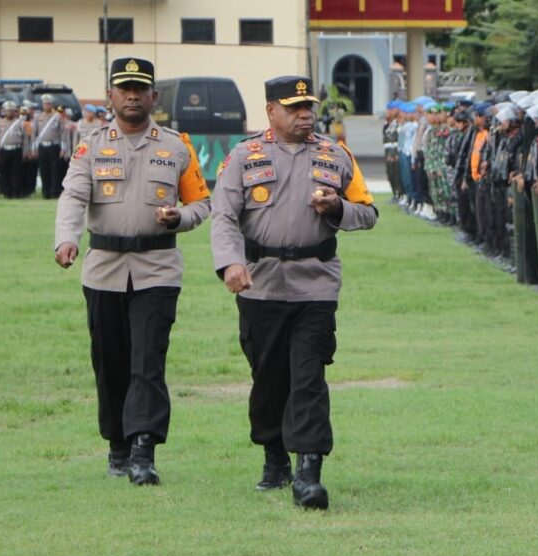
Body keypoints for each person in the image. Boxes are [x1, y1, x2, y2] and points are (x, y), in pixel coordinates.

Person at [210, 75, 377, 511]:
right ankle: (274, 457)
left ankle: (309, 472)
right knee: (269, 379)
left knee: (308, 376)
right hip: (260, 283)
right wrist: (230, 262)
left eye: (309, 107)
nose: (305, 115)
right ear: (271, 111)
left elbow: (368, 212)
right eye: (294, 108)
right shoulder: (244, 156)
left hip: (315, 283)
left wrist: (338, 208)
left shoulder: (335, 154)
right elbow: (223, 216)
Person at [54, 57, 211, 486]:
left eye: (140, 89)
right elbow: (72, 197)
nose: (132, 96)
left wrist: (180, 218)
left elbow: (201, 203)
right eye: (124, 89)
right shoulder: (90, 145)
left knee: (147, 360)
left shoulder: (176, 147)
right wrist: (66, 239)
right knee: (110, 362)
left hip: (157, 269)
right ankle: (118, 446)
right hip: (103, 269)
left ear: (154, 97)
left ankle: (144, 449)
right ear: (111, 96)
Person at [35, 94, 69, 198]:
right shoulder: (39, 116)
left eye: (48, 103)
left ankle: (54, 192)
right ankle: (46, 193)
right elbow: (35, 133)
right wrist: (34, 148)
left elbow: (62, 133)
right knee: (44, 170)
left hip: (54, 146)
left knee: (55, 170)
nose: (46, 105)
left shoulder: (57, 116)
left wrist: (63, 148)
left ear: (52, 104)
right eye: (45, 103)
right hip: (42, 146)